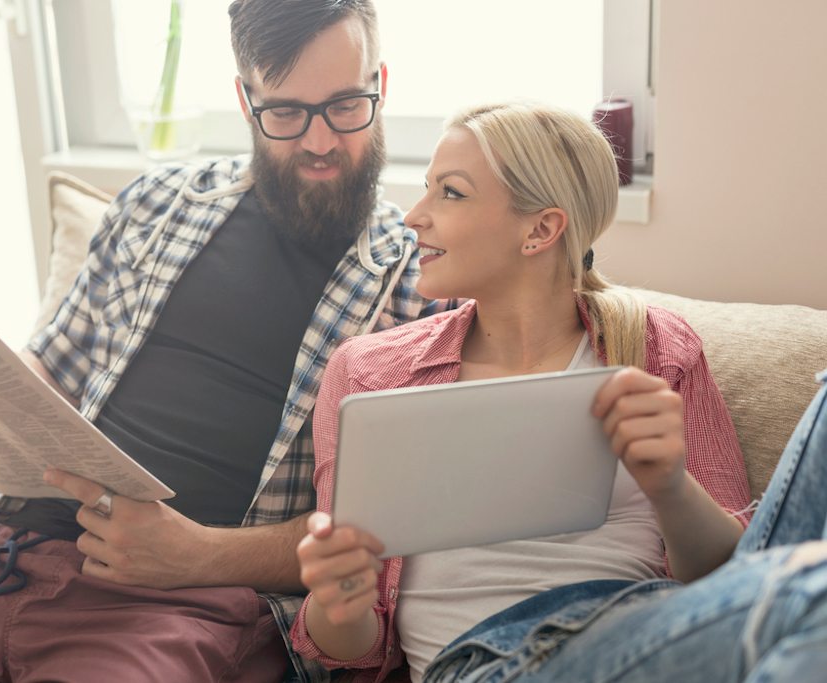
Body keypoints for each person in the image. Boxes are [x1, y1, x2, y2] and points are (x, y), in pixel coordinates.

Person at [0, 2, 456, 682]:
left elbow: (380, 531)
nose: (320, 141)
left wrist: (199, 554)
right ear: (244, 100)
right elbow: (38, 391)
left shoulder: (422, 284)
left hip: (176, 608)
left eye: (346, 106)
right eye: (286, 113)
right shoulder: (154, 207)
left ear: (381, 85)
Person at [290, 101, 827, 683]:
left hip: (647, 633)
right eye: (427, 189)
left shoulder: (654, 349)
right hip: (487, 664)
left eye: (451, 193)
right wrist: (335, 597)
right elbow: (352, 648)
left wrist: (670, 486)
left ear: (541, 230)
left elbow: (730, 577)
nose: (415, 215)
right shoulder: (371, 373)